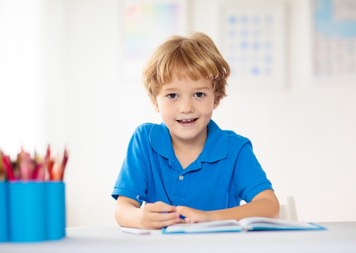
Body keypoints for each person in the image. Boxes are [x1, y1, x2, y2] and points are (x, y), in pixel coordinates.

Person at [112, 32, 279, 229]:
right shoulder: (144, 140)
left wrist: (211, 217)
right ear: (154, 101)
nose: (186, 107)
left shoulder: (235, 149)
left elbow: (270, 206)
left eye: (199, 94)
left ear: (215, 98)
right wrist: (140, 218)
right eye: (172, 95)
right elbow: (123, 208)